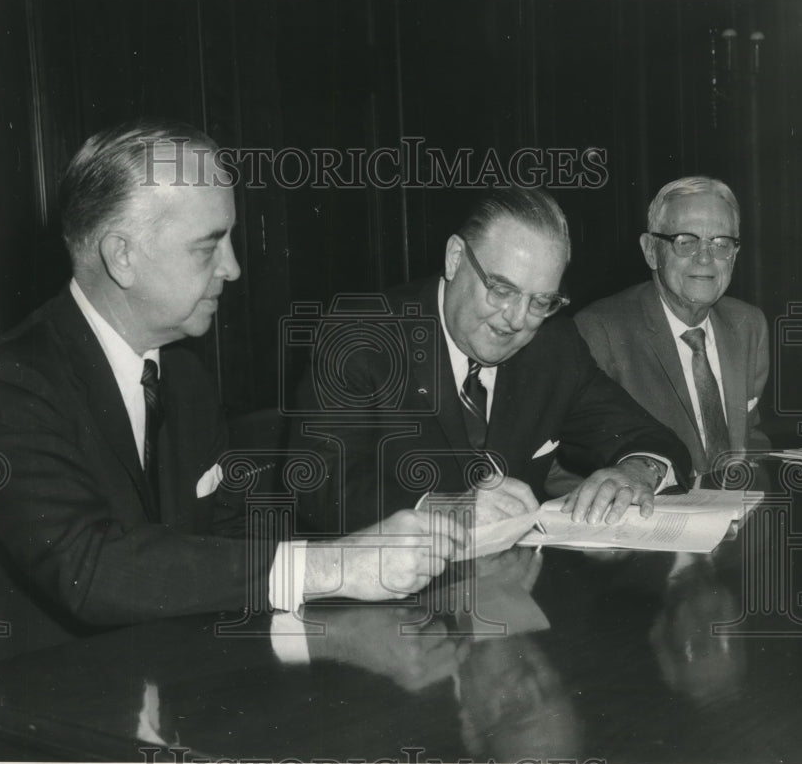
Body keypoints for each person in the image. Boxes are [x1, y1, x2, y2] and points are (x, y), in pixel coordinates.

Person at [0, 119, 461, 670]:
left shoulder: (186, 379)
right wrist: (334, 567)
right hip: (19, 713)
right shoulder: (6, 388)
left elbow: (232, 547)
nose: (234, 268)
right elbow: (94, 571)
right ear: (121, 257)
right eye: (208, 247)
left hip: (159, 682)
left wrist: (393, 553)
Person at [291, 186, 691, 540]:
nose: (517, 320)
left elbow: (649, 437)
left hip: (514, 599)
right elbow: (317, 488)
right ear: (454, 258)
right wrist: (450, 510)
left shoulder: (553, 346)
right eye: (502, 289)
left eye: (540, 302)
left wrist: (639, 472)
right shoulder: (362, 337)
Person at [573, 177, 769, 484]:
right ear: (651, 251)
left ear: (734, 255)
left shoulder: (749, 325)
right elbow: (566, 469)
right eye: (685, 241)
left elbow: (751, 437)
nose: (705, 258)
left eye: (721, 244)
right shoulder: (599, 332)